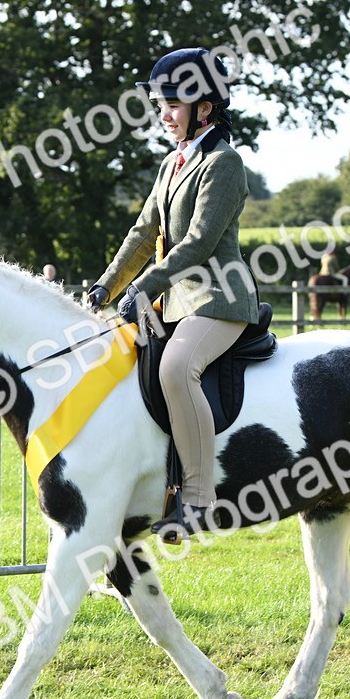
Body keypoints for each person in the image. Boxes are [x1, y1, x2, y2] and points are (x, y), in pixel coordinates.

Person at [85, 47, 258, 538]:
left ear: (205, 107)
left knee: (177, 369)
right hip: (173, 301)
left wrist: (144, 286)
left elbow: (199, 243)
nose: (163, 114)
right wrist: (105, 285)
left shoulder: (223, 163)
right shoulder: (171, 164)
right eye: (160, 104)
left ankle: (200, 498)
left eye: (173, 105)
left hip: (217, 299)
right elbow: (143, 234)